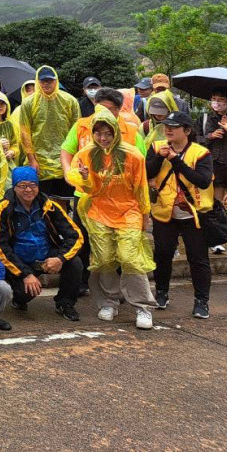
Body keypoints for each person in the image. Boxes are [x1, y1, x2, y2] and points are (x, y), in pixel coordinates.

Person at [65, 108, 156, 328]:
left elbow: (141, 188)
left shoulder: (133, 155)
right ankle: (108, 301)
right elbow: (84, 187)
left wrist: (145, 217)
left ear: (115, 131)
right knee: (103, 259)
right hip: (99, 211)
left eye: (107, 133)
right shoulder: (86, 154)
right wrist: (84, 177)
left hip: (129, 211)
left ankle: (143, 307)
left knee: (130, 258)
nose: (103, 138)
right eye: (98, 133)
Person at [0, 166, 84, 322]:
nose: (28, 190)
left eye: (33, 185)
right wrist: (25, 274)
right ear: (14, 187)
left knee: (75, 263)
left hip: (47, 256)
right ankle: (19, 299)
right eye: (23, 186)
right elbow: (1, 247)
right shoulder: (4, 208)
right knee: (26, 293)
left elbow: (76, 236)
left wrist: (60, 258)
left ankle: (65, 303)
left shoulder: (49, 205)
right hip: (20, 261)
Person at [146, 111, 213, 318]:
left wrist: (177, 161)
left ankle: (202, 301)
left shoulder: (201, 153)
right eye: (167, 126)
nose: (168, 130)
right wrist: (159, 158)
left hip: (193, 213)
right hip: (164, 212)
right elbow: (146, 173)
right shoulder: (157, 147)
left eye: (174, 127)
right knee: (163, 254)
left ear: (187, 130)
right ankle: (161, 293)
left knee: (198, 258)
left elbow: (202, 180)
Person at [17, 66, 81, 198]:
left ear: (56, 81)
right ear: (38, 81)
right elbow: (25, 132)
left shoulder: (70, 101)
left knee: (63, 200)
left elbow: (77, 131)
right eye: (43, 81)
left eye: (49, 81)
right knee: (40, 200)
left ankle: (61, 219)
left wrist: (73, 159)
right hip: (39, 161)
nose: (46, 83)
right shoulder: (28, 103)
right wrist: (31, 160)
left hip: (63, 160)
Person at [200, 90, 227, 252]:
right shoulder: (205, 119)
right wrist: (210, 136)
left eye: (221, 100)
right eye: (214, 99)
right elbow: (195, 139)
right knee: (217, 205)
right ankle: (216, 241)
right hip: (214, 166)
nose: (217, 103)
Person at [0, 91, 21, 169]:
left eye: (2, 103)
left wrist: (12, 152)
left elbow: (15, 144)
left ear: (7, 105)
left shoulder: (9, 124)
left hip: (7, 164)